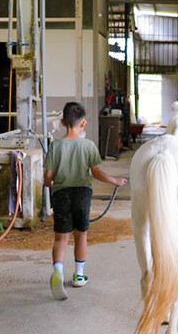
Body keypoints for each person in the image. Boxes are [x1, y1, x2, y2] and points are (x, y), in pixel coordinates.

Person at [43, 102, 127, 300]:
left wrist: (50, 183)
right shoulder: (88, 145)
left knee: (61, 238)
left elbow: (48, 176)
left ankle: (58, 272)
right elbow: (96, 172)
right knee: (81, 236)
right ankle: (79, 275)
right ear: (84, 123)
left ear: (62, 122)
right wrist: (115, 180)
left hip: (61, 194)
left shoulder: (55, 145)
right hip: (82, 194)